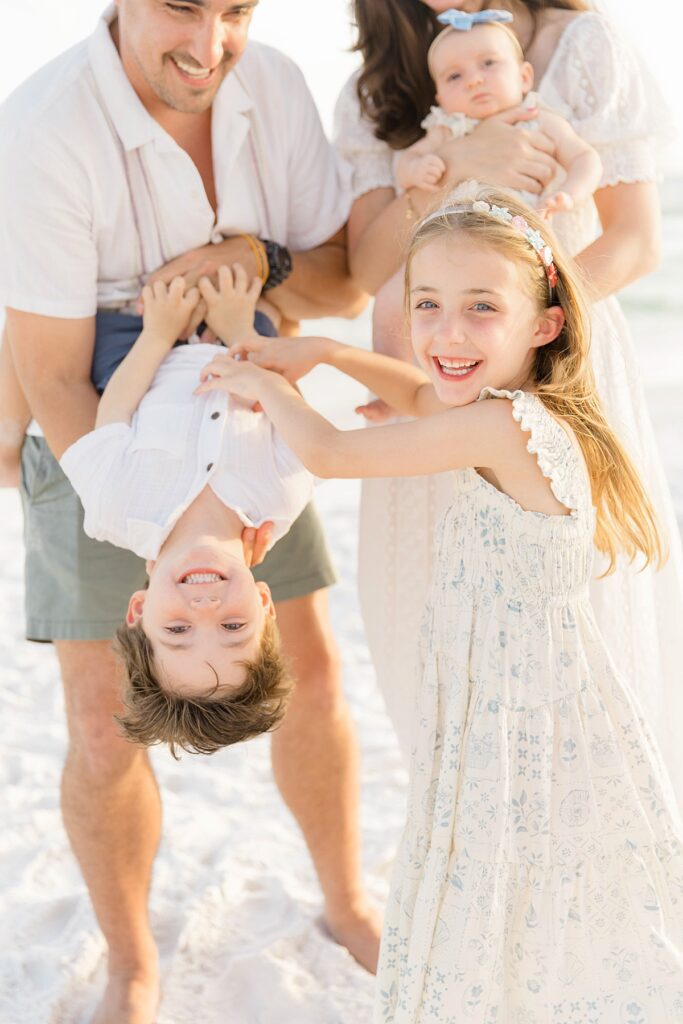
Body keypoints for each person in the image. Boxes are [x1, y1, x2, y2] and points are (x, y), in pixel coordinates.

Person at [183, 183, 683, 1024]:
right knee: (506, 889)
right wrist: (331, 357)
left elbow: (336, 453)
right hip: (507, 697)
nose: (446, 333)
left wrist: (262, 384)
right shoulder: (511, 411)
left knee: (504, 888)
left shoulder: (509, 427)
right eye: (427, 305)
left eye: (480, 307)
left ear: (544, 323)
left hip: (521, 712)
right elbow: (419, 396)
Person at [0, 3, 380, 1020]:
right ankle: (132, 961)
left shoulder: (277, 89)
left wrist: (257, 258)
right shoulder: (45, 127)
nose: (211, 45)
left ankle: (346, 900)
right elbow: (48, 373)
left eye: (236, 10)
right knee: (98, 721)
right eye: (180, 6)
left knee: (309, 667)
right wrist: (94, 476)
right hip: (92, 389)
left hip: (243, 359)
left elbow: (339, 287)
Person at [334, 0, 683, 809]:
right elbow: (362, 266)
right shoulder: (378, 83)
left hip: (556, 373)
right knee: (429, 645)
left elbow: (631, 241)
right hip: (430, 383)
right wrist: (452, 170)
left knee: (581, 641)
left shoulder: (585, 46)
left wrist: (512, 354)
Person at [60, 266, 311, 755]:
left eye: (177, 631)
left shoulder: (113, 509)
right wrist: (241, 331)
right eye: (234, 628)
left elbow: (112, 415)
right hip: (243, 338)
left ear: (138, 610)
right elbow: (294, 411)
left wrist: (158, 334)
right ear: (264, 606)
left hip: (135, 348)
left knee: (104, 330)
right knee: (263, 301)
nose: (205, 611)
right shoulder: (282, 495)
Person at [395, 8, 601, 217]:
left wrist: (570, 194)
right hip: (456, 239)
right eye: (455, 76)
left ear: (524, 77)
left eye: (488, 63)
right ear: (440, 100)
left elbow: (585, 158)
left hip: (522, 236)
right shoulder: (447, 129)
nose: (474, 80)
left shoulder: (537, 119)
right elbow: (404, 163)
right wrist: (416, 169)